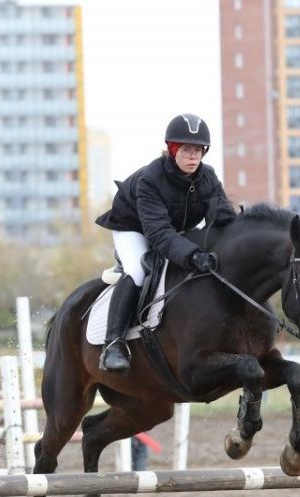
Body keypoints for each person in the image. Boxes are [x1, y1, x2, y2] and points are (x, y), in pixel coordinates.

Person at [93, 113, 237, 373]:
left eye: (198, 150)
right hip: (134, 227)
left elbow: (220, 218)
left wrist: (237, 227)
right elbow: (159, 234)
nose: (194, 157)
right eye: (186, 150)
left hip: (175, 228)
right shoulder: (151, 179)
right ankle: (113, 344)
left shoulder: (208, 177)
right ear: (172, 149)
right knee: (138, 271)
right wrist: (192, 255)